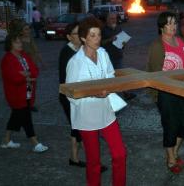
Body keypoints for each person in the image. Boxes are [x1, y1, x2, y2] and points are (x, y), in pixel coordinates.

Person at [66, 17, 127, 186]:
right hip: (87, 117)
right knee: (94, 162)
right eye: (92, 35)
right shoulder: (75, 62)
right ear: (84, 38)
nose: (97, 38)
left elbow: (109, 75)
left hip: (106, 112)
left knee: (120, 153)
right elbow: (70, 94)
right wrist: (92, 94)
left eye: (99, 35)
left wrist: (108, 88)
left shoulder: (103, 53)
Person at [146, 11, 184, 174]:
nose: (174, 26)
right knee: (171, 125)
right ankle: (171, 159)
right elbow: (154, 73)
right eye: (169, 23)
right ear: (161, 27)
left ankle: (174, 151)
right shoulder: (157, 46)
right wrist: (178, 80)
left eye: (175, 23)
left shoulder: (180, 41)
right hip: (166, 92)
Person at [0, 33, 49, 153]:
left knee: (16, 116)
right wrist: (26, 76)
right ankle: (35, 142)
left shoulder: (24, 56)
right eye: (17, 42)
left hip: (27, 92)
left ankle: (6, 140)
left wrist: (25, 74)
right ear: (10, 45)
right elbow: (13, 77)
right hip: (16, 94)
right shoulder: (7, 59)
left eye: (20, 42)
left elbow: (34, 70)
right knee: (25, 117)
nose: (20, 44)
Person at [58, 22, 92, 169]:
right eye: (76, 34)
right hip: (69, 96)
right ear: (68, 37)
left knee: (77, 127)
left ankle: (75, 158)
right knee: (78, 127)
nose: (80, 36)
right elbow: (68, 79)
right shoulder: (67, 52)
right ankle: (84, 160)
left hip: (79, 95)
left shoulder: (81, 49)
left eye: (81, 32)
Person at [101, 12, 136, 100]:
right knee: (109, 78)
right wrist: (110, 39)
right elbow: (100, 43)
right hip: (108, 58)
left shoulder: (118, 28)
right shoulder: (102, 30)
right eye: (112, 18)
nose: (114, 20)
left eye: (115, 18)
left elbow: (121, 41)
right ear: (107, 19)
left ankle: (126, 93)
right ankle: (110, 97)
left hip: (118, 56)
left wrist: (123, 43)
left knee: (121, 75)